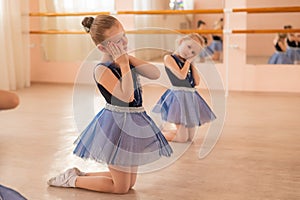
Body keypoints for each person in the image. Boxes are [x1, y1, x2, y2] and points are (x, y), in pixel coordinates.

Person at [47, 14, 173, 194]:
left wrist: (127, 60)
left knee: (129, 184)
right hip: (116, 126)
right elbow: (127, 97)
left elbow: (154, 74)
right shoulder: (102, 69)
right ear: (102, 46)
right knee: (119, 187)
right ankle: (72, 180)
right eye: (117, 41)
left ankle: (80, 174)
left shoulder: (125, 60)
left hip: (134, 121)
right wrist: (123, 64)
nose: (124, 42)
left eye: (124, 36)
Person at [152, 33, 216, 143]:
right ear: (181, 41)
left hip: (190, 96)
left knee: (190, 138)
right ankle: (156, 134)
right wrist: (188, 62)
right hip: (178, 97)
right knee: (182, 138)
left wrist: (192, 63)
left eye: (193, 52)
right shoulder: (169, 58)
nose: (189, 52)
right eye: (189, 46)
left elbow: (196, 81)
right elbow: (181, 76)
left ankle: (164, 132)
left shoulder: (188, 62)